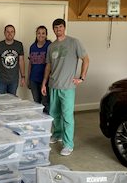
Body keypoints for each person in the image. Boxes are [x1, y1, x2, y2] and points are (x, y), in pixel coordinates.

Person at [41, 18, 89, 156]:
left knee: (67, 117)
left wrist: (81, 77)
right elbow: (48, 66)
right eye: (55, 28)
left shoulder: (74, 42)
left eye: (60, 27)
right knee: (54, 114)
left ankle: (68, 144)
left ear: (65, 27)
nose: (58, 30)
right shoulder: (51, 46)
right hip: (53, 85)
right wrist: (44, 83)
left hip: (68, 87)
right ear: (53, 30)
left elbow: (86, 59)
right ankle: (57, 135)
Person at [0, 25, 25, 95]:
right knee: (0, 102)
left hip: (14, 80)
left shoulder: (19, 45)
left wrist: (23, 77)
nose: (9, 34)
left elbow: (21, 61)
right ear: (4, 33)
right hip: (1, 80)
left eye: (11, 32)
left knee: (12, 103)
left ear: (14, 33)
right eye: (8, 32)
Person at [27, 25, 51, 114]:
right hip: (34, 79)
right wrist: (28, 79)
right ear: (36, 34)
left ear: (46, 35)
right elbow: (30, 64)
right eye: (39, 33)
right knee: (36, 102)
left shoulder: (49, 46)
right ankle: (38, 120)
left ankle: (46, 122)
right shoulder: (32, 47)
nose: (40, 35)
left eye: (43, 33)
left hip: (45, 80)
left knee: (45, 102)